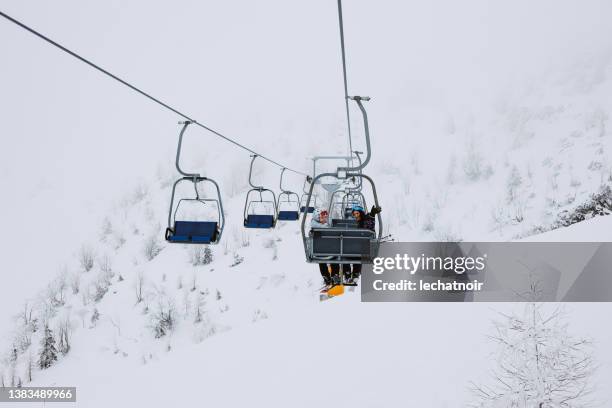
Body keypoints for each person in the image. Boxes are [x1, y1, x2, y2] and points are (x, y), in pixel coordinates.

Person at [345, 204, 382, 283]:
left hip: (362, 247)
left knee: (358, 255)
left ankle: (355, 274)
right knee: (344, 254)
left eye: (357, 213)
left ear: (361, 213)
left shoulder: (365, 221)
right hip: (353, 246)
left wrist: (372, 215)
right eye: (354, 214)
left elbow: (369, 225)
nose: (355, 216)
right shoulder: (353, 223)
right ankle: (347, 274)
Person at [311, 208, 340, 287]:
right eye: (322, 217)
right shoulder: (319, 226)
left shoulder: (318, 225)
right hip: (323, 251)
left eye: (325, 217)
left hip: (320, 252)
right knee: (333, 259)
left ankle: (329, 277)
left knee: (323, 261)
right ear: (317, 218)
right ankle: (333, 276)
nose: (325, 219)